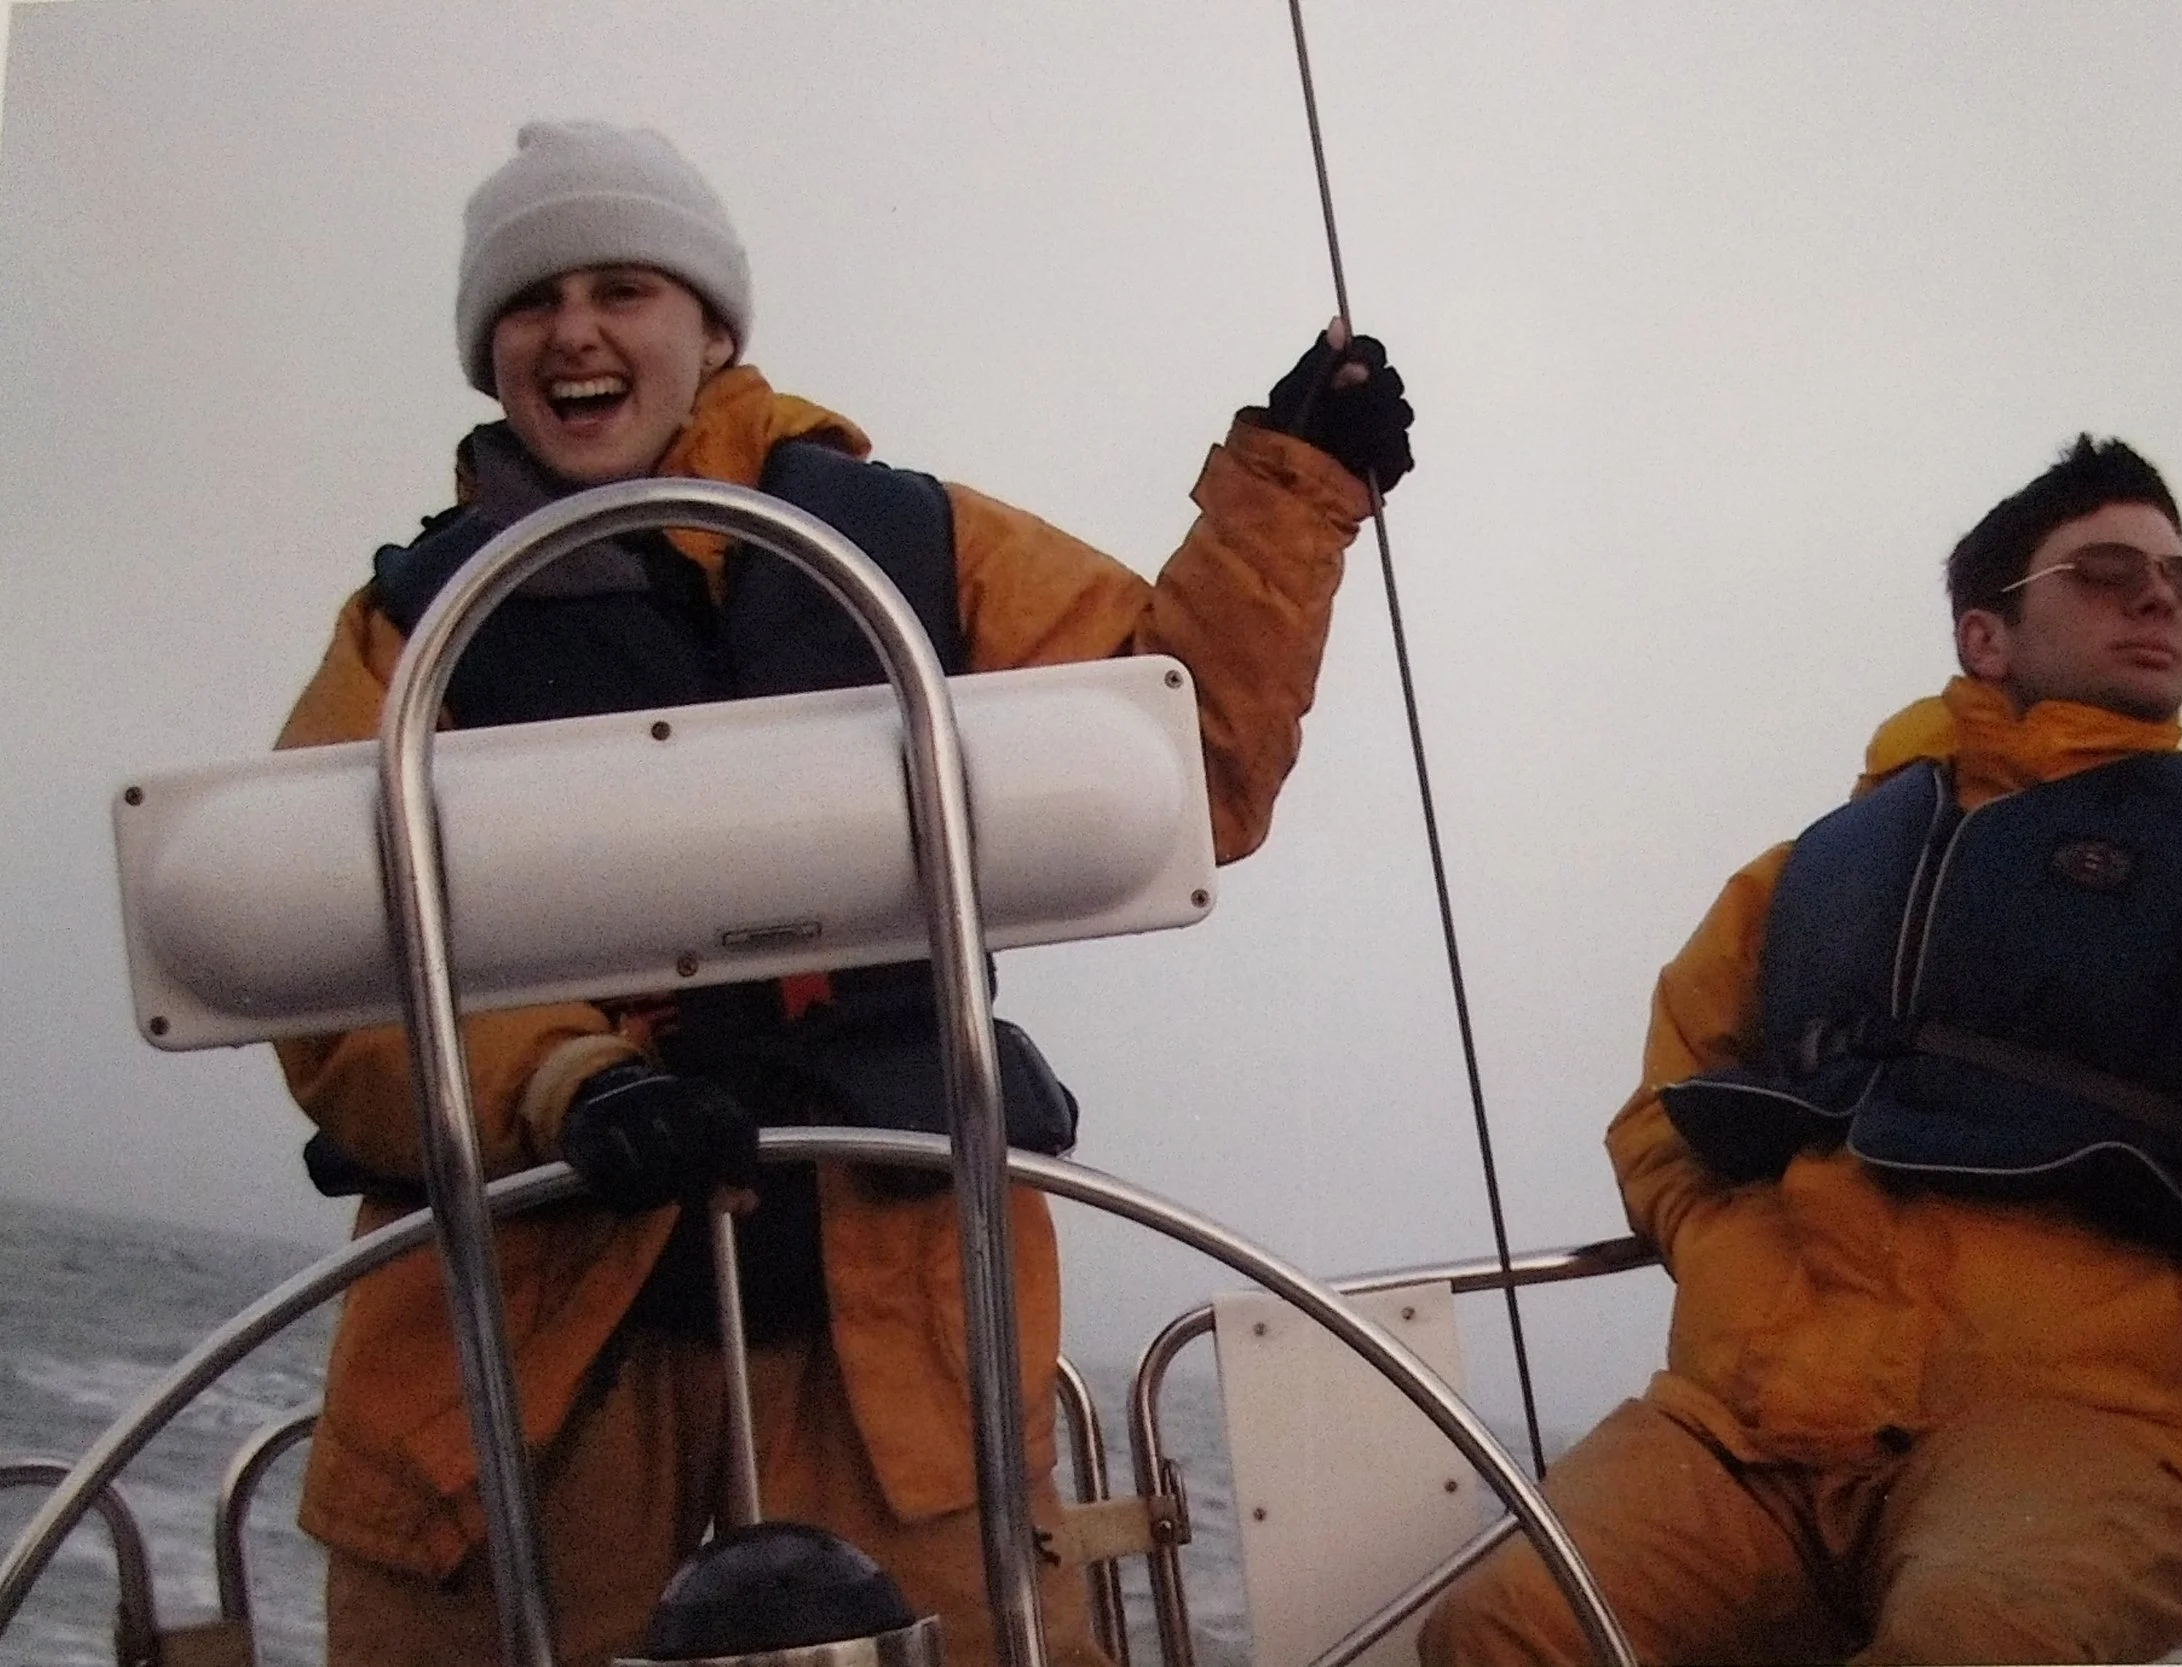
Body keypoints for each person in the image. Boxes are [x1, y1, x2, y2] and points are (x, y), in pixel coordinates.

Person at [275, 120, 1413, 1667]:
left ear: (712, 325)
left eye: (624, 287)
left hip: (896, 1325)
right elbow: (332, 972)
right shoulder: (409, 635)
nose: (577, 332)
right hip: (529, 1336)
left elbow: (1190, 761)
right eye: (533, 302)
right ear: (489, 355)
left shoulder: (916, 552)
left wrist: (1294, 489)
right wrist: (560, 1077)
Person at [1422, 436, 2182, 1665]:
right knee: (1502, 1630)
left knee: (1973, 1643)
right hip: (1751, 1418)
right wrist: (1724, 1251)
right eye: (2103, 569)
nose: (2157, 596)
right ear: (1985, 636)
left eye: (2179, 577)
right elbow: (1669, 1096)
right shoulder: (1804, 874)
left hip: (2074, 1418)